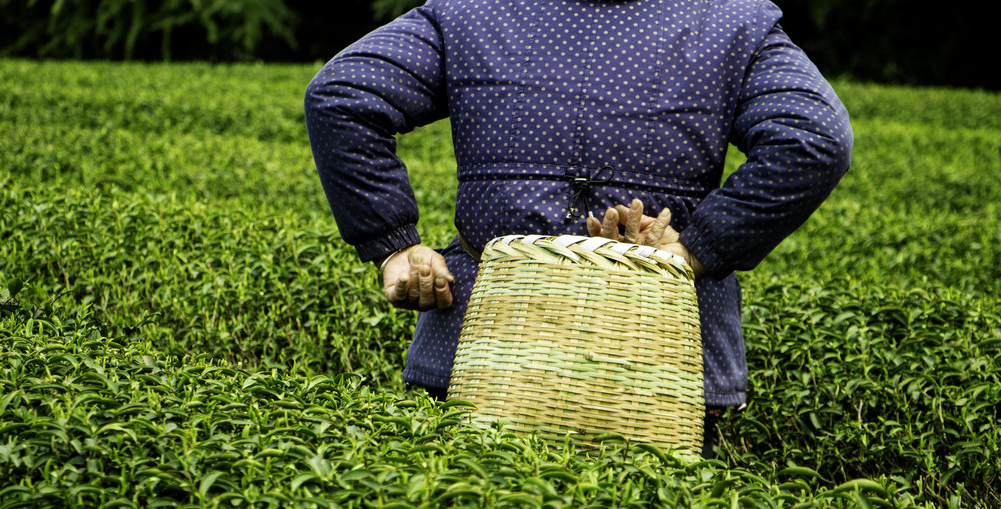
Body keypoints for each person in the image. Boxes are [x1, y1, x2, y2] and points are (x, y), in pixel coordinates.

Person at [305, 0, 853, 457]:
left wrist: (394, 247)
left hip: (478, 344)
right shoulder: (732, 19)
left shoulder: (472, 7)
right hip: (660, 361)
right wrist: (691, 251)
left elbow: (345, 92)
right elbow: (816, 137)